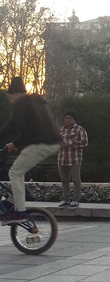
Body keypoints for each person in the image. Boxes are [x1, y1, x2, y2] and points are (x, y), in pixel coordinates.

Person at [0, 77, 61, 224]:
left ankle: (19, 211)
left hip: (43, 143)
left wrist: (14, 141)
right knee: (18, 171)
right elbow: (30, 128)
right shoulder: (34, 102)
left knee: (15, 172)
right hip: (51, 142)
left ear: (14, 94)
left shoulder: (22, 103)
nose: (10, 102)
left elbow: (15, 125)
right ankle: (11, 201)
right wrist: (15, 143)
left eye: (10, 98)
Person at [57, 112, 88, 209]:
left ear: (74, 119)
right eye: (66, 118)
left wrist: (71, 144)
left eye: (70, 118)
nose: (67, 120)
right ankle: (66, 200)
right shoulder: (61, 129)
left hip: (74, 158)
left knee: (76, 180)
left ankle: (75, 200)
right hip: (62, 158)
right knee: (64, 180)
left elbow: (84, 143)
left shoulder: (80, 129)